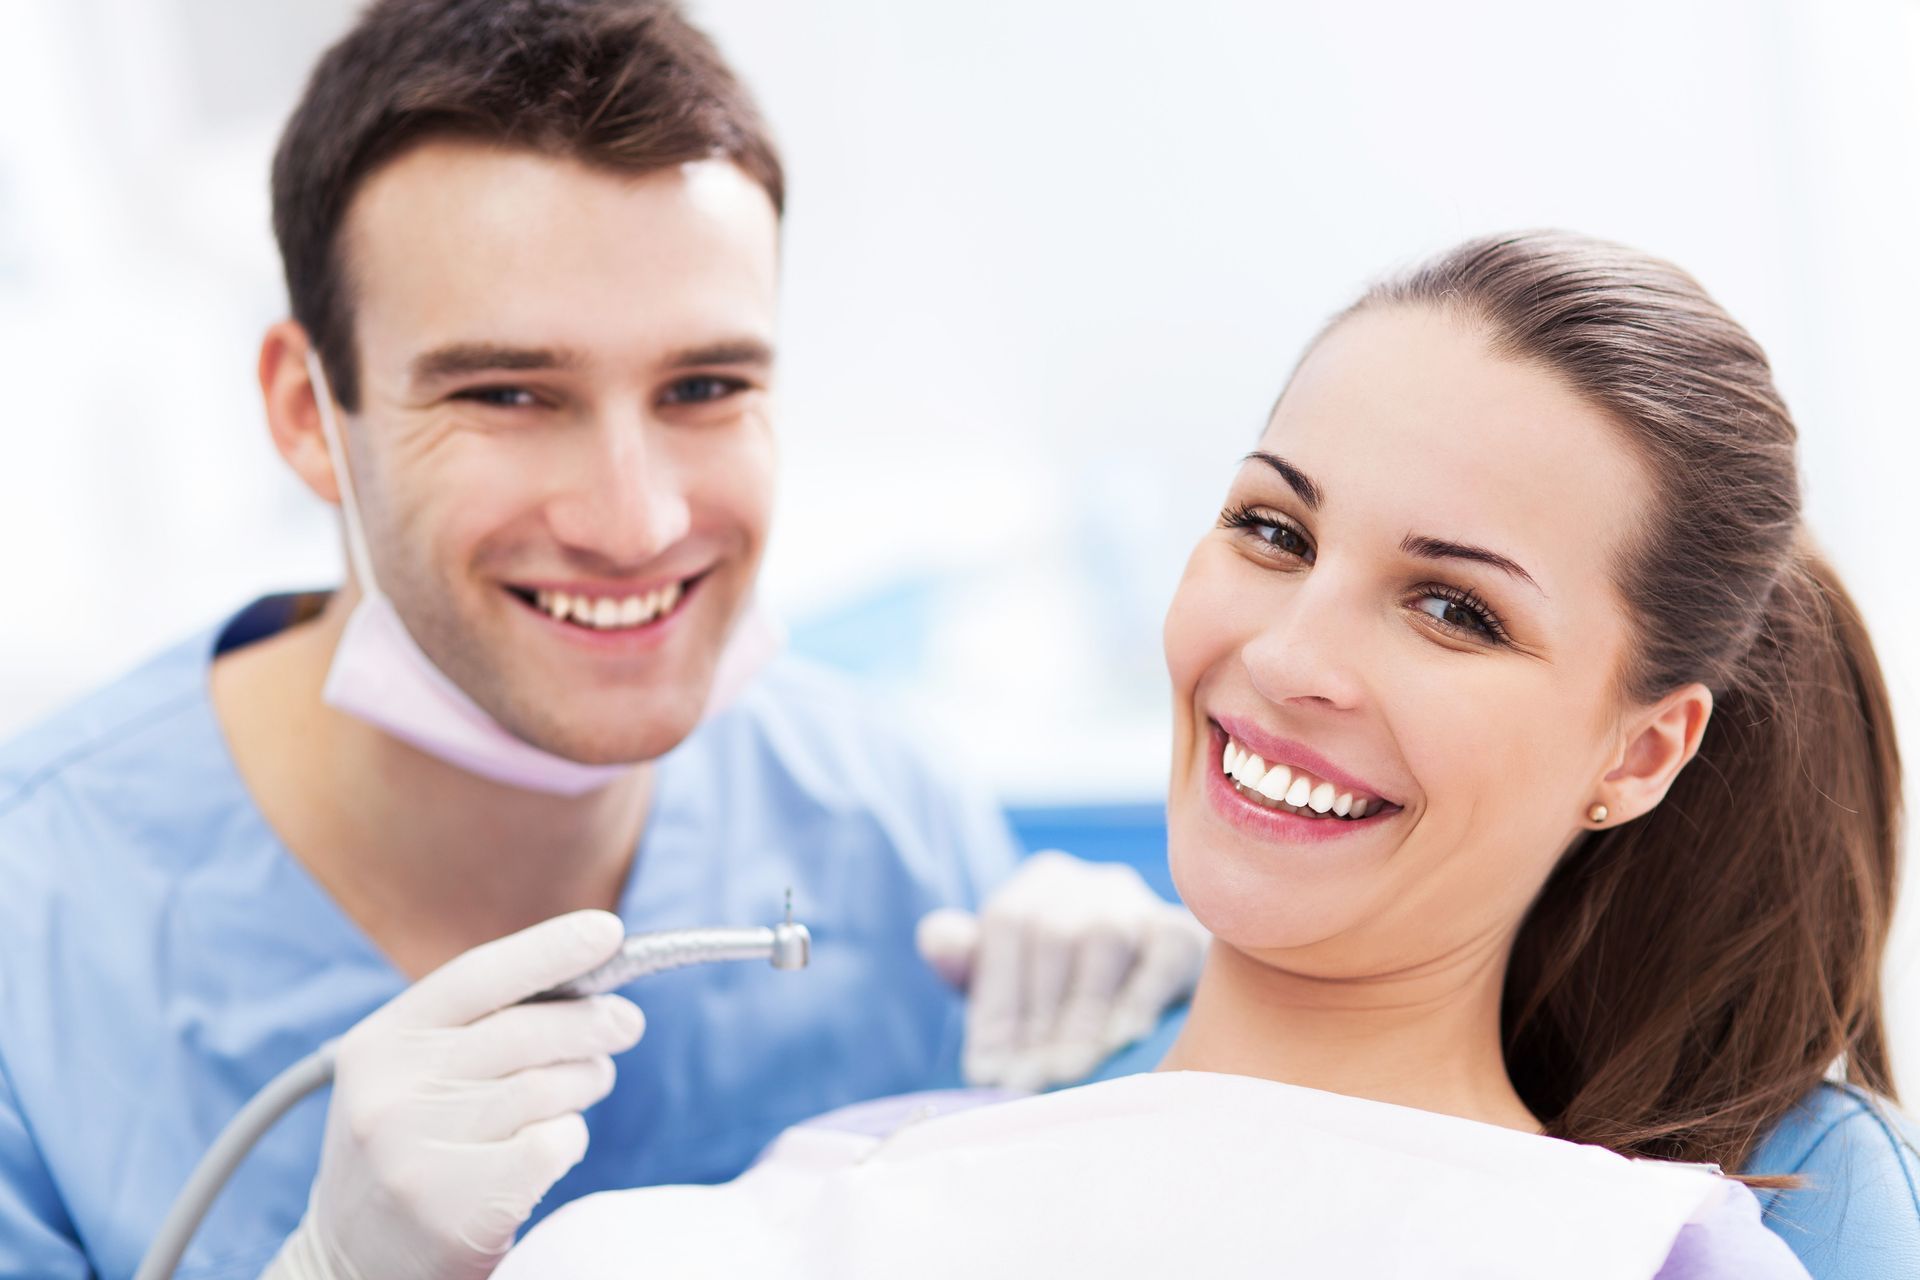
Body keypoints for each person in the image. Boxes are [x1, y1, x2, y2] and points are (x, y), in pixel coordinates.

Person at [0, 3, 1203, 1277]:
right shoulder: (39, 922)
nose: (637, 522)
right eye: (508, 393)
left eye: (705, 387)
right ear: (308, 412)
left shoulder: (890, 828)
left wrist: (1158, 1064)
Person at [497, 231, 1916, 1278]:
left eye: (1453, 609)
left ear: (1643, 752)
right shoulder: (804, 1200)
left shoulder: (1644, 1255)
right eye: (1273, 530)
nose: (1290, 656)